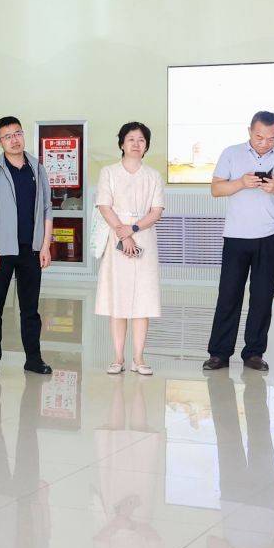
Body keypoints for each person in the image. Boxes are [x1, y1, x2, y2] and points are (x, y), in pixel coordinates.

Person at [205, 110, 274, 372]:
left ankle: (254, 353)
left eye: (271, 138)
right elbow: (215, 189)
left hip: (270, 236)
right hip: (236, 236)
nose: (265, 143)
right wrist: (241, 183)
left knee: (262, 297)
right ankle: (219, 353)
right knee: (228, 296)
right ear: (250, 131)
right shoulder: (231, 153)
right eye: (259, 137)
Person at [0, 116, 54, 377]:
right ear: (0, 142)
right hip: (2, 251)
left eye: (17, 133)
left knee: (30, 309)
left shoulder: (37, 168)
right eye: (7, 136)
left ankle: (33, 358)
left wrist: (45, 246)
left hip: (31, 250)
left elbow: (47, 208)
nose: (14, 140)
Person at [95, 121, 166, 376]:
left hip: (143, 235)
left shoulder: (153, 176)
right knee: (118, 299)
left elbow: (156, 211)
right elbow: (105, 206)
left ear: (147, 146)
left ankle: (138, 358)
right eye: (131, 139)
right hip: (117, 237)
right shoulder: (109, 172)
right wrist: (122, 233)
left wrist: (132, 229)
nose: (136, 144)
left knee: (142, 300)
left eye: (141, 140)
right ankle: (117, 358)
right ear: (122, 144)